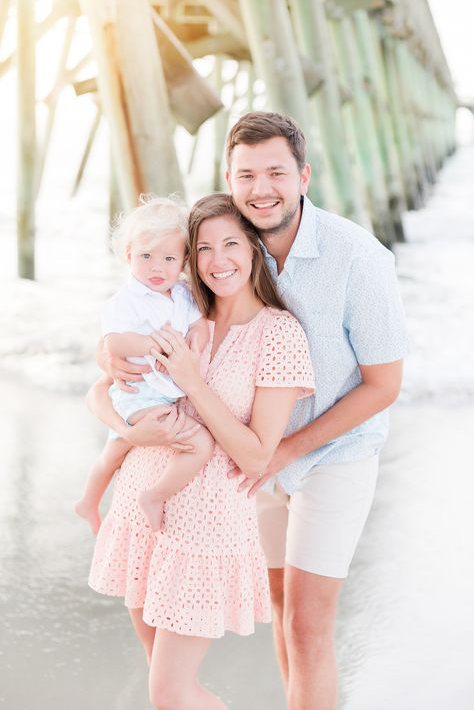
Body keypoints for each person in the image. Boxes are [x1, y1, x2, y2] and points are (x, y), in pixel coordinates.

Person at [105, 112, 410, 710]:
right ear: (228, 177)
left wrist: (284, 452)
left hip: (328, 456)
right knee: (277, 610)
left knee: (307, 625)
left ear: (304, 176)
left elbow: (383, 384)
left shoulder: (357, 257)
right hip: (242, 450)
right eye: (247, 174)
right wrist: (108, 352)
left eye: (276, 172)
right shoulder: (226, 248)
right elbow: (145, 301)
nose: (261, 187)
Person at [86, 193, 315, 710]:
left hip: (205, 529)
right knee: (164, 687)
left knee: (169, 694)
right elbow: (99, 391)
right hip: (144, 506)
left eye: (231, 244)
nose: (218, 260)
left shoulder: (279, 333)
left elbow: (258, 456)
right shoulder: (182, 309)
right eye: (204, 247)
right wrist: (128, 430)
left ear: (254, 250)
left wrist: (193, 380)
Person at [75, 196, 213, 535]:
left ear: (183, 260)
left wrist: (196, 340)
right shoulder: (125, 301)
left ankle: (88, 503)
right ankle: (153, 496)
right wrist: (151, 345)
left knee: (117, 449)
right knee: (199, 444)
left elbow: (200, 325)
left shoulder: (182, 294)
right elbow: (114, 344)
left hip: (163, 392)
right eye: (146, 257)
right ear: (128, 255)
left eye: (168, 258)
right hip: (138, 393)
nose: (157, 268)